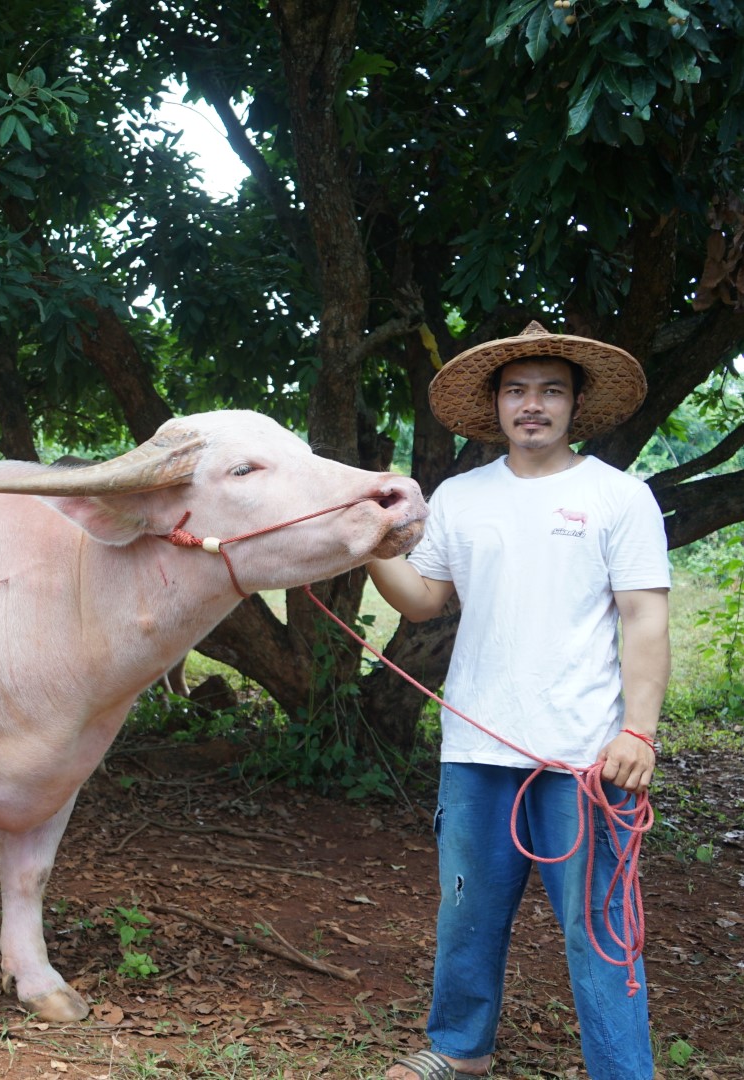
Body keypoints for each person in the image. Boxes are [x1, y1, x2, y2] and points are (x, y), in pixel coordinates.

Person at [368, 321, 670, 1080]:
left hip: (584, 757)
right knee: (466, 913)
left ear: (574, 406)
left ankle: (621, 1071)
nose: (530, 405)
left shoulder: (617, 496)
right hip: (475, 750)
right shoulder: (463, 497)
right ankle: (459, 1049)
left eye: (549, 392)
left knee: (599, 929)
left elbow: (644, 616)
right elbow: (424, 600)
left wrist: (638, 732)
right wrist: (370, 545)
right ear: (496, 406)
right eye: (516, 392)